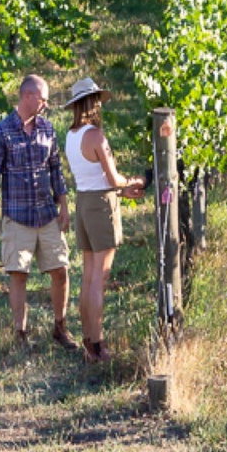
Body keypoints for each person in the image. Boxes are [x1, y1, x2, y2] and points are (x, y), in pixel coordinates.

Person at [0, 74, 78, 350]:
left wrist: (64, 205)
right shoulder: (2, 131)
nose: (46, 104)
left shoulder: (47, 129)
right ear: (27, 96)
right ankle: (20, 332)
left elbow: (56, 170)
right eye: (43, 99)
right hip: (17, 215)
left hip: (46, 213)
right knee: (18, 273)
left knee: (61, 269)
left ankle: (60, 328)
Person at [62, 77, 146, 362]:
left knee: (88, 275)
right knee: (100, 276)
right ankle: (98, 343)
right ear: (92, 103)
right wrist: (132, 182)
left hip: (83, 201)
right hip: (101, 204)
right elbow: (112, 178)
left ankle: (88, 339)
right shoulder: (96, 136)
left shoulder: (71, 136)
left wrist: (122, 188)